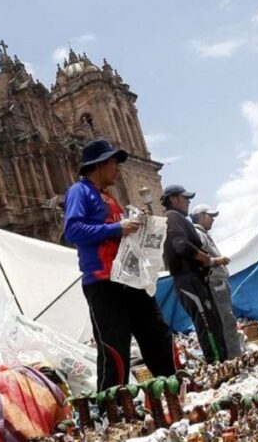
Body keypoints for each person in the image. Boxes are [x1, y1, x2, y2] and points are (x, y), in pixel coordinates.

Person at [63, 139, 176, 390]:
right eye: (114, 162)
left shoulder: (109, 197)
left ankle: (172, 388)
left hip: (129, 278)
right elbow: (72, 230)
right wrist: (117, 228)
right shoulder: (79, 192)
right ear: (100, 165)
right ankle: (114, 407)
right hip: (103, 281)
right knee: (115, 345)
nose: (117, 168)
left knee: (156, 332)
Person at [162, 185, 228, 363]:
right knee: (206, 323)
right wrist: (203, 257)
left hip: (196, 278)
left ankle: (223, 361)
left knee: (212, 321)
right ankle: (216, 363)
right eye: (185, 198)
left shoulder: (179, 219)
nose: (188, 201)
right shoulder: (172, 217)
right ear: (174, 199)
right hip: (188, 278)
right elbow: (180, 244)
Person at [191, 204, 242, 358]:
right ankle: (234, 358)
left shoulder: (204, 234)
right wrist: (216, 261)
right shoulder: (198, 234)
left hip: (218, 281)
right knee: (226, 320)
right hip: (215, 282)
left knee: (227, 319)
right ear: (200, 216)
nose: (213, 219)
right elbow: (199, 257)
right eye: (210, 216)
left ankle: (234, 356)